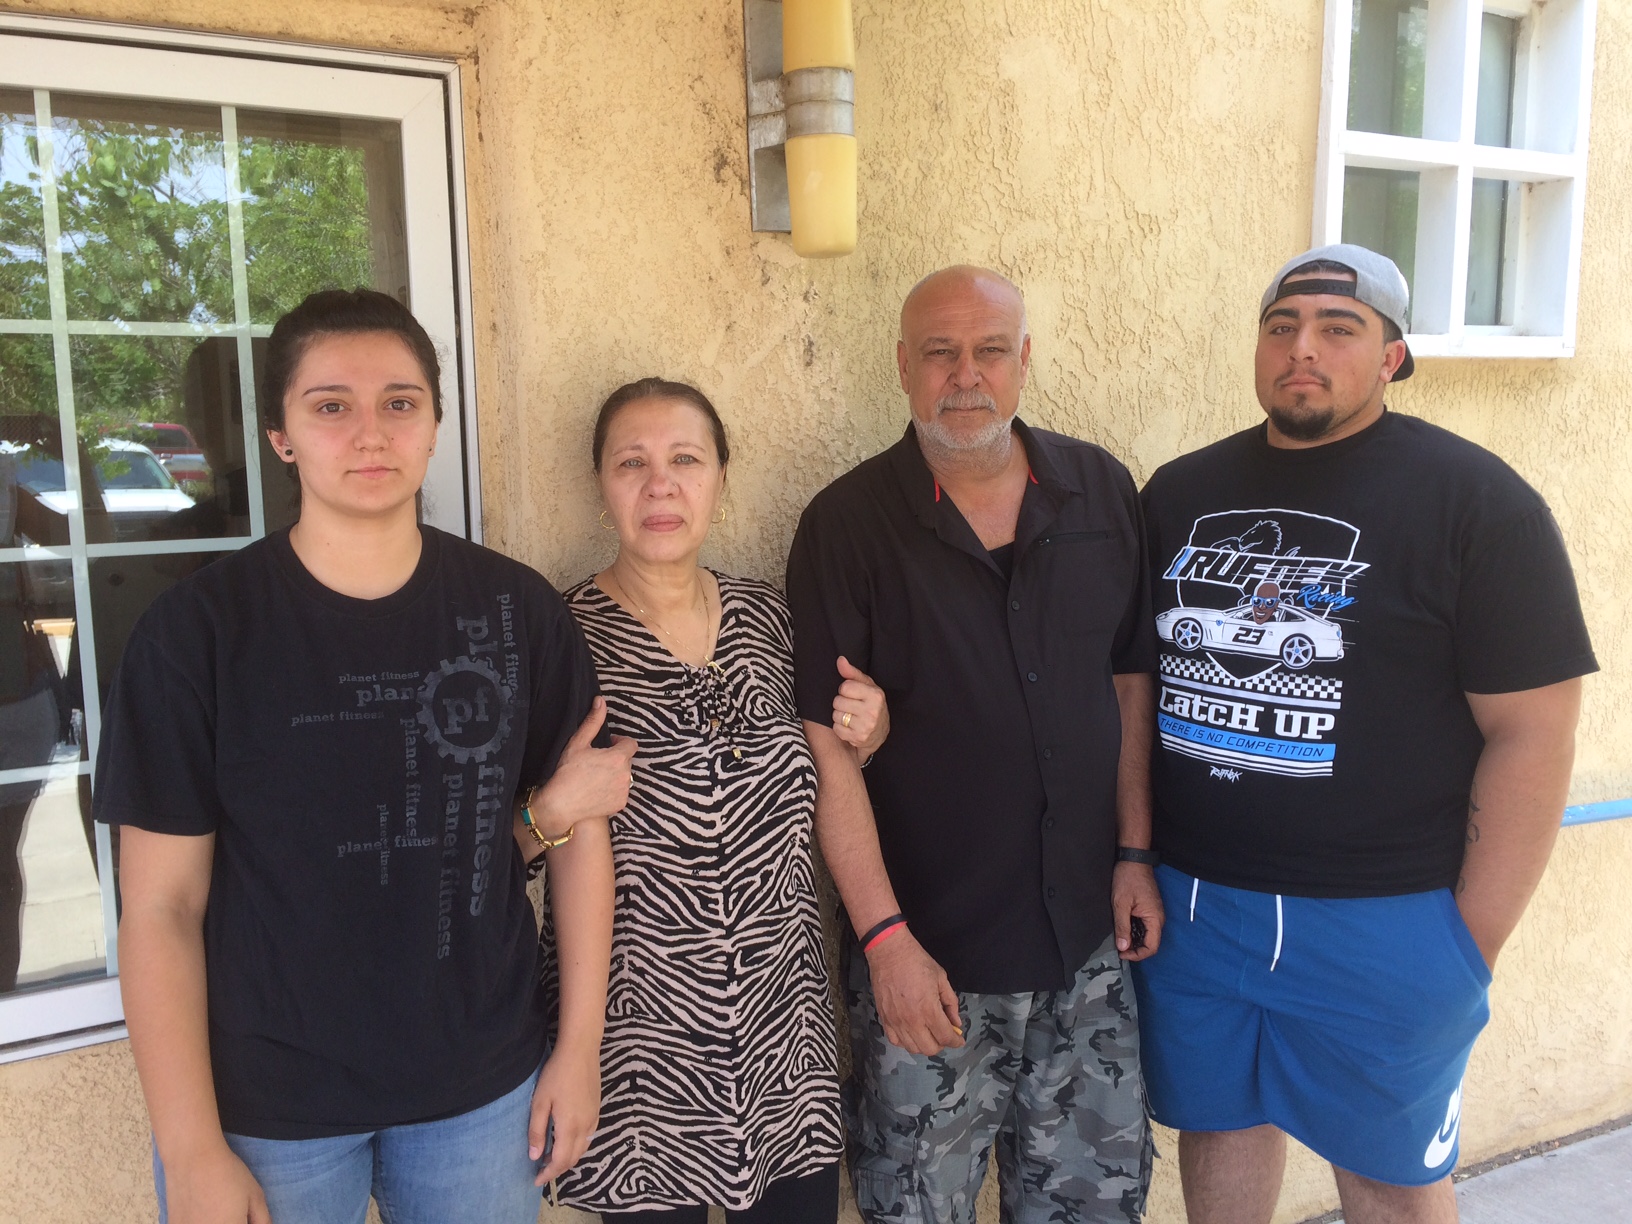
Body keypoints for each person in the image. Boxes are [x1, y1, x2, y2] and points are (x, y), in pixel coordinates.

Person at [95, 289, 631, 1224]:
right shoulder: (198, 634)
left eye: (400, 402)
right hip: (268, 1111)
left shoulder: (516, 612)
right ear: (281, 437)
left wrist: (578, 1049)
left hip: (480, 1089)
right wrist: (189, 1146)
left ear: (432, 428)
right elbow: (160, 908)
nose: (371, 432)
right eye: (331, 405)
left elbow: (582, 836)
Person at [1133, 244, 1597, 1224]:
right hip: (1197, 905)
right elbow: (1134, 685)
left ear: (1390, 357)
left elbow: (1535, 730)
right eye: (1281, 327)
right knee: (1217, 1131)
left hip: (1387, 918)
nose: (1303, 349)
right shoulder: (1177, 494)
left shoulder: (1477, 502)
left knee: (1390, 1182)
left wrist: (1468, 943)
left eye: (1338, 330)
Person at [786, 266, 1162, 1224]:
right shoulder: (846, 524)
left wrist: (1133, 853)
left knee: (1093, 1206)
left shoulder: (1101, 491)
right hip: (930, 962)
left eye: (990, 349)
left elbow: (1129, 683)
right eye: (940, 353)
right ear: (904, 368)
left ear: (1025, 360)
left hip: (1085, 948)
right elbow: (827, 749)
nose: (966, 375)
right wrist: (882, 939)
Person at [544, 377, 889, 1224]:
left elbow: (827, 773)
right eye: (633, 462)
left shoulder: (775, 620)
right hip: (637, 1059)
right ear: (601, 484)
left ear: (721, 480)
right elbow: (511, 837)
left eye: (685, 460)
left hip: (786, 1043)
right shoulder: (561, 636)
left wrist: (867, 733)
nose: (660, 484)